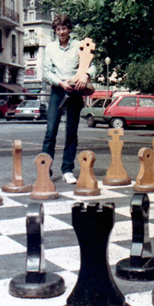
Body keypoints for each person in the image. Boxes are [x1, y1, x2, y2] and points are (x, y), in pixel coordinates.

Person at [42, 14, 96, 184]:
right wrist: (60, 82)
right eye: (58, 29)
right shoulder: (50, 48)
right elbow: (46, 72)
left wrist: (86, 75)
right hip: (58, 90)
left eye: (64, 28)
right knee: (51, 132)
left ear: (69, 29)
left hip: (75, 91)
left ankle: (67, 170)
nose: (62, 32)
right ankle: (45, 169)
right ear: (55, 31)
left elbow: (92, 65)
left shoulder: (79, 46)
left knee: (71, 133)